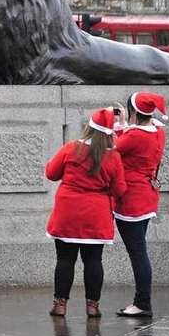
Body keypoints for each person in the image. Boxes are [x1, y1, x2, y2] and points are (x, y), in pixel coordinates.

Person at [45, 107, 127, 318]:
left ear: (88, 127)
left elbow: (52, 174)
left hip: (68, 212)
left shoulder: (71, 148)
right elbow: (119, 190)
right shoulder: (113, 157)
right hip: (96, 214)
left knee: (64, 260)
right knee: (93, 261)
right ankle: (93, 307)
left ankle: (60, 305)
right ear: (109, 133)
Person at [112, 92, 167, 318]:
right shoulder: (159, 133)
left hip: (131, 199)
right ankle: (142, 302)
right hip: (147, 196)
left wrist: (119, 125)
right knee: (139, 250)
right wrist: (126, 123)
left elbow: (112, 149)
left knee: (137, 252)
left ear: (134, 112)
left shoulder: (134, 137)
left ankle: (142, 303)